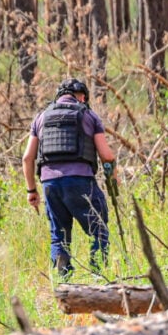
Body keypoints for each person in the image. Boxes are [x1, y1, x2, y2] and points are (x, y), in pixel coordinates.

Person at [23, 78, 117, 278]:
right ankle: (100, 277)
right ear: (81, 95)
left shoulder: (41, 117)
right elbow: (107, 156)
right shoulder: (89, 115)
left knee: (59, 236)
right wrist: (113, 182)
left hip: (50, 185)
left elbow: (27, 158)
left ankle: (63, 281)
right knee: (98, 229)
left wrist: (31, 191)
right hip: (80, 181)